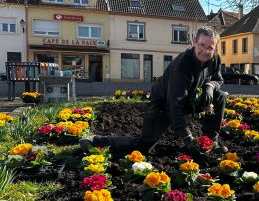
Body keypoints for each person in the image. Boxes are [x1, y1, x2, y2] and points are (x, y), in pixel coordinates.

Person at [80, 27, 228, 154]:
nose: (205, 51)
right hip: (164, 104)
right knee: (144, 145)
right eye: (202, 45)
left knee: (219, 96)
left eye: (210, 48)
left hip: (189, 100)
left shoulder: (214, 59)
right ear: (195, 43)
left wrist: (210, 86)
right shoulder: (182, 66)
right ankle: (97, 141)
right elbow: (174, 105)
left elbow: (219, 80)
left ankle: (209, 142)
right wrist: (188, 139)